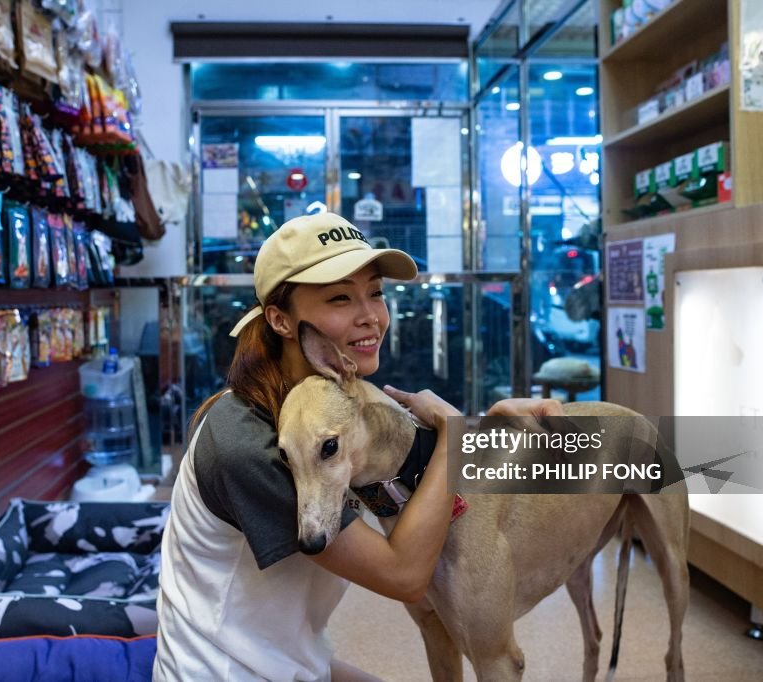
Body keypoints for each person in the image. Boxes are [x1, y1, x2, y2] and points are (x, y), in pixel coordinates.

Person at [153, 213, 562, 681]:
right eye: (341, 297)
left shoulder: (333, 401)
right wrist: (455, 434)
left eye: (376, 293)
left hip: (297, 664)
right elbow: (406, 576)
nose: (371, 316)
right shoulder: (252, 444)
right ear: (280, 320)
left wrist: (490, 425)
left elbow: (421, 461)